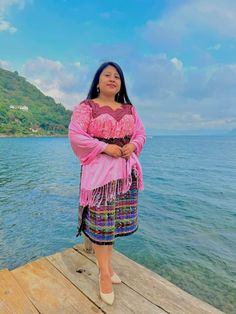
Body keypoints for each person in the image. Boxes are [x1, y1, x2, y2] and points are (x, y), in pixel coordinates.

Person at [68, 61, 146, 305]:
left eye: (117, 76)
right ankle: (103, 273)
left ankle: (108, 267)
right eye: (107, 75)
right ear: (98, 81)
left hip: (124, 175)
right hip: (100, 176)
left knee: (112, 223)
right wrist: (105, 147)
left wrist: (132, 145)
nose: (113, 79)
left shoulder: (130, 109)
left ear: (121, 83)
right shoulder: (86, 107)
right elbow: (76, 134)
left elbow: (140, 134)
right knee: (102, 225)